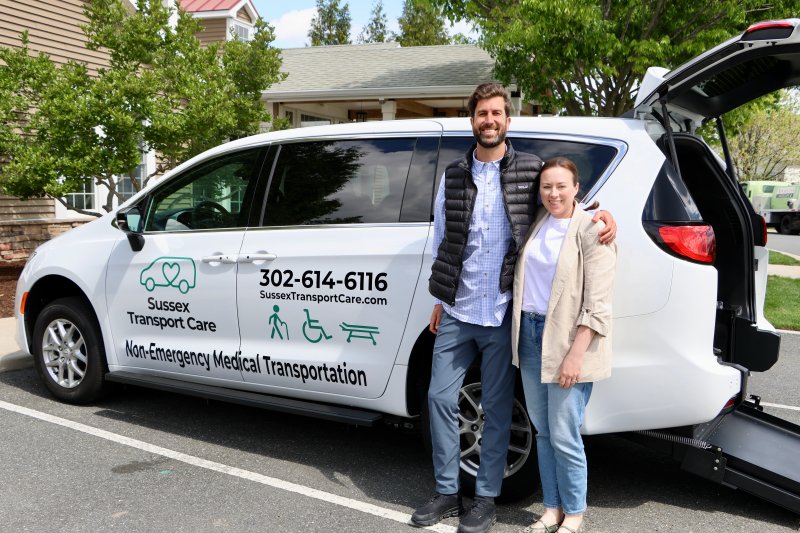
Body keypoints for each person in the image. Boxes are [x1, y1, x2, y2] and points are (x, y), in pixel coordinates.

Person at [411, 83, 616, 533]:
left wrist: (603, 215)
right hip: (459, 309)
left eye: (497, 113)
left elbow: (559, 204)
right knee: (439, 397)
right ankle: (447, 491)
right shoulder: (454, 174)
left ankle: (484, 498)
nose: (489, 120)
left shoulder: (528, 169)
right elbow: (443, 239)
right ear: (473, 120)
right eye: (482, 113)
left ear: (508, 119)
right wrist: (440, 298)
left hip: (504, 312)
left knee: (499, 407)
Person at [512, 157, 617, 533]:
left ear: (577, 189)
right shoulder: (537, 222)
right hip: (529, 335)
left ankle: (574, 513)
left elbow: (598, 304)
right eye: (546, 187)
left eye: (561, 186)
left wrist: (576, 354)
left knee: (564, 432)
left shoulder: (592, 229)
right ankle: (551, 508)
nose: (553, 193)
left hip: (568, 340)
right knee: (542, 430)